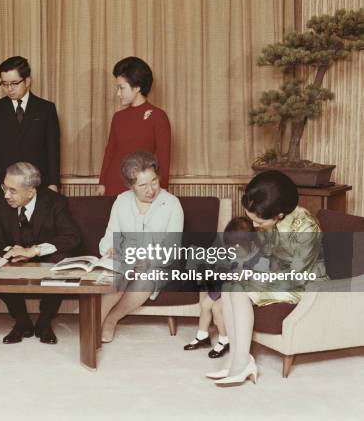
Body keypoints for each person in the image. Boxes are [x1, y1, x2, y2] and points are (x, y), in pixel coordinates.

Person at [207, 170, 327, 386]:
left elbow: (295, 275)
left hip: (303, 285)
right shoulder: (267, 220)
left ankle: (242, 362)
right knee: (229, 286)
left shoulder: (306, 227)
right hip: (276, 275)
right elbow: (262, 255)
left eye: (258, 221)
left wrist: (254, 276)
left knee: (241, 288)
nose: (253, 226)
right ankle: (237, 358)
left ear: (279, 214)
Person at [0, 162, 81, 344]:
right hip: (15, 258)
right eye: (4, 187)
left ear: (31, 191)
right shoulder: (0, 203)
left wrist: (34, 251)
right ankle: (22, 322)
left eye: (13, 190)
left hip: (45, 257)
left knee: (61, 262)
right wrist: (12, 252)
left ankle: (44, 322)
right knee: (0, 263)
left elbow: (72, 237)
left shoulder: (55, 202)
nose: (6, 195)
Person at [98, 151, 183, 342]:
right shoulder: (122, 201)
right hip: (126, 259)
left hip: (158, 263)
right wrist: (110, 249)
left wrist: (149, 260)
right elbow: (109, 237)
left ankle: (111, 320)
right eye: (142, 185)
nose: (150, 190)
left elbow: (172, 248)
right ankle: (95, 323)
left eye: (154, 181)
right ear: (131, 185)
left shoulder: (172, 204)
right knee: (120, 272)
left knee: (147, 277)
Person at [0, 56, 60, 195]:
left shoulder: (46, 109)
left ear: (27, 81)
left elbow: (52, 148)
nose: (9, 89)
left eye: (14, 83)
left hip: (37, 184)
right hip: (4, 185)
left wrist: (53, 183)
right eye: (4, 84)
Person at [183, 217, 256, 359]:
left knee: (217, 308)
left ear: (251, 244)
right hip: (223, 287)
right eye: (230, 247)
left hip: (237, 291)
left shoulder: (253, 259)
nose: (232, 251)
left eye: (237, 248)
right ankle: (202, 335)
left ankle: (224, 339)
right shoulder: (233, 253)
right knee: (205, 305)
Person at [98, 57, 171, 196]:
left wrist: (162, 189)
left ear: (137, 87)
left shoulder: (158, 116)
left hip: (141, 188)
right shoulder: (118, 117)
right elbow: (110, 152)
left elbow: (163, 157)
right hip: (112, 187)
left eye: (121, 88)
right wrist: (102, 183)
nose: (118, 93)